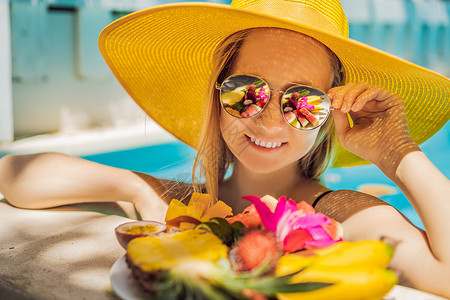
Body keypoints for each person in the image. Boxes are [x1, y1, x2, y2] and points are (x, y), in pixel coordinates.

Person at [0, 0, 449, 296]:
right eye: (245, 93)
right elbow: (17, 177)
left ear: (328, 114)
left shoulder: (338, 215)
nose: (270, 119)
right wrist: (137, 188)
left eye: (303, 102)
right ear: (216, 97)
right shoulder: (183, 201)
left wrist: (399, 154)